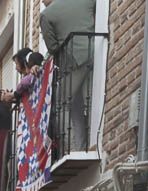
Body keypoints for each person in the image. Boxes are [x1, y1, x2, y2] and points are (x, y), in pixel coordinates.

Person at [40, 0, 95, 152]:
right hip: (95, 51)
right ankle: (85, 144)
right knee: (79, 101)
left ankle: (71, 148)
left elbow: (52, 48)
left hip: (75, 60)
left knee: (59, 102)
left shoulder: (46, 15)